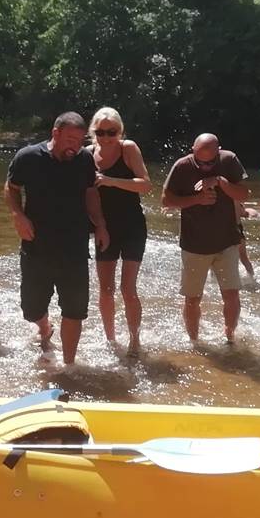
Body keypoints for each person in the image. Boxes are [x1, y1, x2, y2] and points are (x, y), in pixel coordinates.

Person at [4, 112, 110, 366]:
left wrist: (101, 225)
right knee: (31, 309)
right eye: (70, 139)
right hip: (36, 246)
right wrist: (18, 215)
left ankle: (69, 364)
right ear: (55, 134)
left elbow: (90, 193)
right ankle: (44, 327)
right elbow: (11, 188)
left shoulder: (84, 159)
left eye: (80, 140)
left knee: (75, 310)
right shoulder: (28, 157)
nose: (75, 145)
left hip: (74, 248)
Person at [162, 134, 249, 343]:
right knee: (192, 299)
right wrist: (197, 200)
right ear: (193, 150)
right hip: (194, 244)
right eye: (201, 162)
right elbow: (166, 200)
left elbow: (244, 194)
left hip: (226, 241)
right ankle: (194, 341)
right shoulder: (182, 166)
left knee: (231, 295)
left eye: (211, 163)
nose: (206, 166)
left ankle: (229, 337)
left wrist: (220, 181)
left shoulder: (229, 160)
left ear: (218, 151)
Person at [86, 107, 152, 354]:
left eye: (111, 132)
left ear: (120, 130)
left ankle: (135, 340)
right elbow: (86, 195)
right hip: (104, 228)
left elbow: (145, 185)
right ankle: (111, 340)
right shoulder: (88, 154)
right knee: (106, 289)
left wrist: (110, 180)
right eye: (100, 132)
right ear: (94, 132)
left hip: (133, 226)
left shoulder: (129, 148)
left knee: (128, 288)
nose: (105, 137)